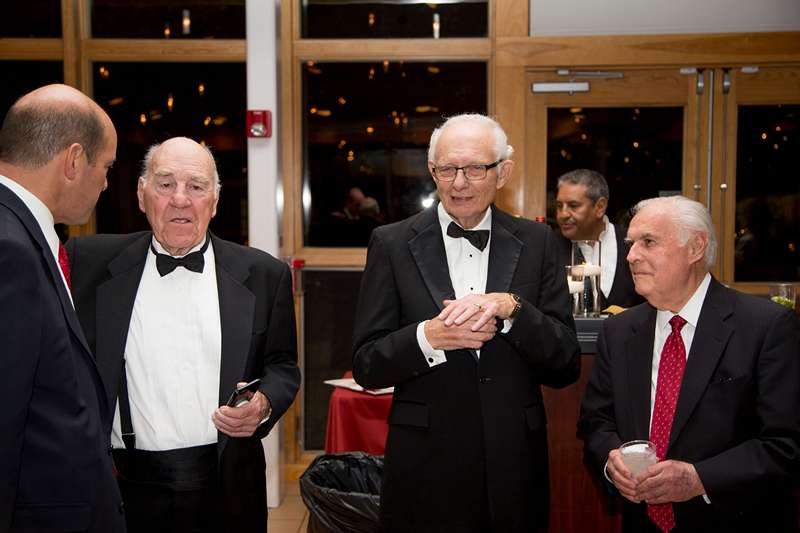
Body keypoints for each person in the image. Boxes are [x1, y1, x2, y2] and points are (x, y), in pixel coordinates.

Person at [352, 113, 581, 533]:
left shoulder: (538, 242)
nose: (459, 183)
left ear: (503, 172)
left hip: (514, 463)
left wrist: (513, 310)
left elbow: (565, 362)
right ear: (432, 171)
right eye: (447, 169)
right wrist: (429, 338)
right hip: (424, 462)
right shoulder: (391, 243)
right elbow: (367, 365)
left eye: (475, 169)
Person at [65, 137, 301, 533]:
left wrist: (263, 405)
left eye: (196, 186)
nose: (180, 199)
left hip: (226, 484)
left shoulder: (264, 275)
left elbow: (282, 365)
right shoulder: (87, 262)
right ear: (142, 195)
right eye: (165, 184)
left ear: (214, 201)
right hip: (122, 486)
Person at [578, 195, 800, 532]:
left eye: (648, 242)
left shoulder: (767, 326)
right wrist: (613, 465)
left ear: (696, 247)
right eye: (630, 244)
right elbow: (596, 421)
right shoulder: (619, 331)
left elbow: (786, 444)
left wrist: (699, 479)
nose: (631, 256)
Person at [0, 84, 124, 532]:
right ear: (73, 161)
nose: (106, 183)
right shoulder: (10, 249)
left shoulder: (22, 232)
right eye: (106, 166)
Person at [554, 168, 643, 308]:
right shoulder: (550, 247)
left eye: (573, 206)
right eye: (559, 206)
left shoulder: (633, 243)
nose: (562, 214)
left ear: (600, 207)